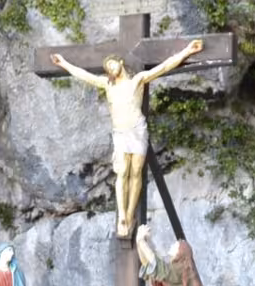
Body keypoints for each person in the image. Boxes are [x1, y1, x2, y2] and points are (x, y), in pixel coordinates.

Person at [50, 40, 205, 240]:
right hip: (121, 133)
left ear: (120, 62)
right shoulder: (107, 84)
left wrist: (186, 51)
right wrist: (64, 64)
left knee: (135, 173)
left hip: (137, 131)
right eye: (107, 68)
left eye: (112, 64)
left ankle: (130, 214)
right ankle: (122, 215)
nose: (110, 68)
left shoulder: (137, 80)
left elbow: (164, 67)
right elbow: (84, 75)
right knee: (122, 172)